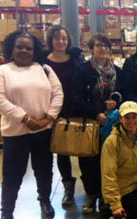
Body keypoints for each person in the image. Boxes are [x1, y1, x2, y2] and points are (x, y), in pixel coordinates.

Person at [0, 31, 63, 219]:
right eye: (19, 47)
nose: (24, 51)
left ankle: (45, 201)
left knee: (44, 169)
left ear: (35, 51)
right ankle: (7, 214)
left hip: (43, 130)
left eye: (28, 48)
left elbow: (58, 94)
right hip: (15, 132)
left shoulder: (45, 69)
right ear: (11, 49)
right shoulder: (4, 71)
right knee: (12, 174)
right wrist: (25, 119)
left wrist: (48, 118)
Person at [71, 33, 122, 214]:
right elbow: (76, 97)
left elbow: (124, 93)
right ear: (92, 48)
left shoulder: (117, 71)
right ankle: (91, 194)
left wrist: (116, 103)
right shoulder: (83, 70)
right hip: (91, 123)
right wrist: (96, 112)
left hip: (113, 124)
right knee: (89, 160)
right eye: (98, 45)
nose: (102, 49)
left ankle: (107, 195)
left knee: (109, 160)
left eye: (105, 46)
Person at [44, 25, 84, 207]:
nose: (61, 42)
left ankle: (91, 187)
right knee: (62, 151)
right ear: (50, 40)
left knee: (85, 149)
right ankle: (68, 188)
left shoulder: (75, 58)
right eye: (57, 38)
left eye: (64, 38)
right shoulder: (43, 62)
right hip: (54, 111)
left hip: (76, 108)